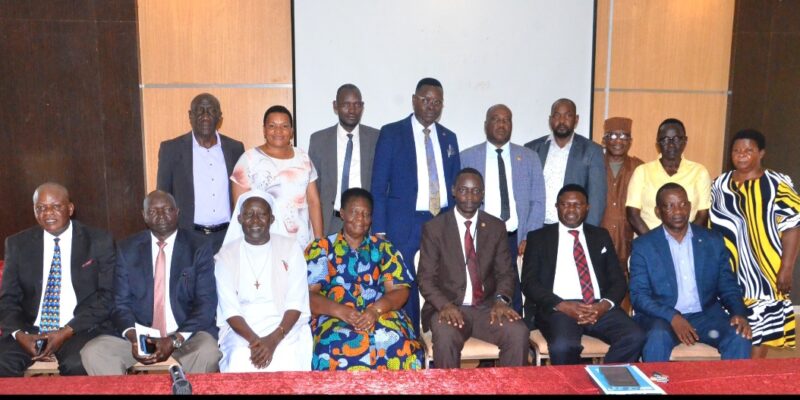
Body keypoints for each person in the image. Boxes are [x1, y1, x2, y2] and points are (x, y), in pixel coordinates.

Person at [80, 190, 221, 375]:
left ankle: (188, 387)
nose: (161, 215)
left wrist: (173, 340)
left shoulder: (198, 246)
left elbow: (206, 304)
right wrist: (134, 338)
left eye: (167, 209)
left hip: (185, 335)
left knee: (208, 352)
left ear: (177, 212)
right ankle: (124, 388)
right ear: (144, 216)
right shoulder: (127, 248)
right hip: (140, 335)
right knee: (94, 353)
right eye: (153, 211)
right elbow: (120, 304)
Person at [371, 77, 461, 333]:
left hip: (442, 221)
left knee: (443, 279)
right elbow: (378, 186)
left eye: (437, 102)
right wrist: (379, 230)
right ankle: (409, 336)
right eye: (426, 100)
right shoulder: (391, 133)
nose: (431, 106)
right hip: (404, 223)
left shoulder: (449, 137)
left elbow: (456, 184)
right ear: (414, 100)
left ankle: (438, 333)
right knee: (404, 282)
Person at [417, 168, 529, 368]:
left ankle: (510, 385)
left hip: (487, 308)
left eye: (476, 191)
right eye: (463, 190)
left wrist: (501, 300)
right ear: (453, 191)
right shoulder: (435, 228)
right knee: (445, 336)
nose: (469, 196)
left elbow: (505, 272)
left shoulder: (495, 227)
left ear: (483, 194)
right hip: (449, 307)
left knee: (518, 332)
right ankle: (449, 386)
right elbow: (426, 279)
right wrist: (445, 305)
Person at [0, 183, 115, 376]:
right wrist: (19, 335)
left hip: (78, 328)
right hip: (30, 330)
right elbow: (8, 299)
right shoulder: (17, 244)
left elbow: (107, 296)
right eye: (41, 208)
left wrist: (66, 331)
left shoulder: (98, 241)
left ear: (70, 208)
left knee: (78, 364)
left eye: (56, 206)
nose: (48, 213)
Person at [521, 184, 644, 365]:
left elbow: (618, 280)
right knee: (563, 346)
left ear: (587, 208)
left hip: (597, 306)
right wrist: (562, 305)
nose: (571, 209)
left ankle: (605, 377)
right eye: (565, 204)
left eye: (577, 205)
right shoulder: (539, 237)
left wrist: (603, 306)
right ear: (556, 207)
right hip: (559, 309)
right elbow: (529, 283)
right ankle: (573, 382)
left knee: (634, 336)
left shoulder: (600, 236)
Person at [629, 183, 752, 362]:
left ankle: (731, 381)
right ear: (658, 211)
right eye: (670, 206)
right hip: (662, 318)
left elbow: (727, 285)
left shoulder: (712, 240)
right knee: (657, 338)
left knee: (739, 336)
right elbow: (639, 296)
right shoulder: (644, 246)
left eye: (682, 204)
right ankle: (656, 380)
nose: (678, 211)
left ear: (689, 206)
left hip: (706, 315)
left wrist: (738, 312)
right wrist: (672, 317)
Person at [305, 188, 424, 371]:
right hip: (334, 316)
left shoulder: (383, 248)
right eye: (355, 212)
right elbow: (309, 295)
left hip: (380, 314)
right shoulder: (322, 248)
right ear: (342, 214)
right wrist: (341, 311)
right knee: (331, 348)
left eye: (366, 214)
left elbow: (400, 290)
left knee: (400, 344)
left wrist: (375, 311)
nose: (361, 219)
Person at [710, 129, 800, 358]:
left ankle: (752, 374)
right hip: (729, 271)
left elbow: (792, 227)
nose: (741, 155)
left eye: (748, 150)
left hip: (766, 273)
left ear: (761, 153)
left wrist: (786, 268)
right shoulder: (719, 185)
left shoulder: (777, 183)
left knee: (762, 330)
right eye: (736, 150)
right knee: (733, 326)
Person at [459, 104, 545, 313]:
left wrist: (530, 236)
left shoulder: (529, 157)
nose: (501, 124)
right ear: (486, 124)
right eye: (496, 119)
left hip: (515, 238)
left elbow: (538, 200)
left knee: (511, 289)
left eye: (506, 120)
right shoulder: (467, 157)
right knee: (481, 288)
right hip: (479, 235)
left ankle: (514, 327)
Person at [215, 190, 313, 372]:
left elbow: (296, 301)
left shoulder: (291, 249)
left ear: (272, 219)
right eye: (248, 214)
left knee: (288, 357)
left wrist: (273, 341)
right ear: (239, 219)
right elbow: (230, 309)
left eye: (262, 214)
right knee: (239, 358)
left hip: (284, 325)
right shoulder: (225, 256)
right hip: (242, 329)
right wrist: (256, 342)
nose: (255, 220)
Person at [157, 93, 245, 253]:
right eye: (200, 110)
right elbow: (163, 196)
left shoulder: (235, 149)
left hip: (227, 237)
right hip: (188, 237)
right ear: (190, 115)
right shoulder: (171, 149)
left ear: (220, 117)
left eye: (211, 111)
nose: (205, 116)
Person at [227, 105, 323, 251]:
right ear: (264, 130)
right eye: (272, 126)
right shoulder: (249, 159)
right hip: (263, 244)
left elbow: (313, 201)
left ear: (291, 131)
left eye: (284, 126)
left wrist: (319, 240)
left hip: (302, 245)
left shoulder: (303, 158)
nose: (278, 131)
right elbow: (240, 209)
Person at [308, 84, 380, 236]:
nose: (352, 110)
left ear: (362, 107)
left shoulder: (376, 138)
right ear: (335, 106)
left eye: (357, 105)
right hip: (330, 221)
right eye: (346, 105)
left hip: (365, 224)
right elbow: (314, 188)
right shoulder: (318, 140)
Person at [525, 98, 606, 226]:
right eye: (557, 115)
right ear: (550, 119)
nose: (562, 121)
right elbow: (523, 193)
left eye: (568, 116)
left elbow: (597, 199)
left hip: (573, 227)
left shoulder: (592, 150)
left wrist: (588, 232)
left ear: (576, 120)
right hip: (536, 227)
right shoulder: (531, 149)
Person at [626, 118, 711, 235]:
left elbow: (703, 215)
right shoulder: (642, 172)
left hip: (688, 242)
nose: (671, 144)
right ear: (657, 144)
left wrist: (684, 241)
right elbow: (633, 214)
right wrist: (655, 242)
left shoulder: (699, 172)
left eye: (676, 139)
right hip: (648, 241)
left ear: (685, 141)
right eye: (665, 139)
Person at [599, 117, 643, 313]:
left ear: (630, 141)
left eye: (624, 136)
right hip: (597, 240)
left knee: (625, 292)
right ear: (604, 139)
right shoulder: (594, 164)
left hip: (628, 242)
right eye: (613, 135)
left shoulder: (639, 168)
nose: (618, 140)